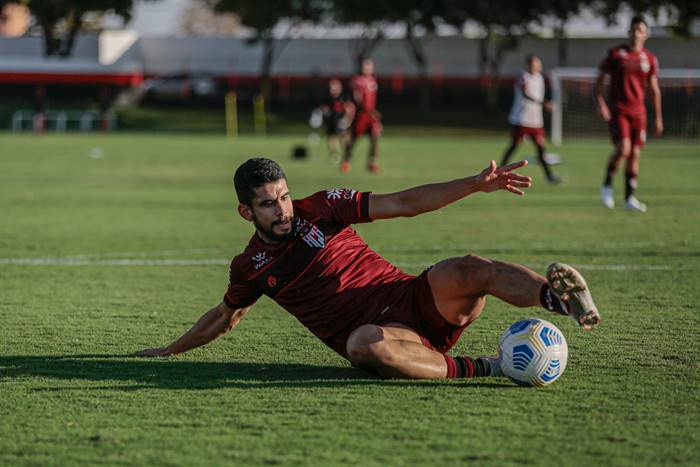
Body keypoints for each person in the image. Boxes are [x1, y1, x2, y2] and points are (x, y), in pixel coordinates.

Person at [136, 157, 601, 380]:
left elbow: (403, 203)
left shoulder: (321, 206)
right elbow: (224, 317)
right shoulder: (251, 266)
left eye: (282, 197)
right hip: (386, 338)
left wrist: (475, 185)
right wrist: (170, 349)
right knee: (363, 345)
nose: (282, 210)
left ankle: (559, 300)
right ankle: (489, 367)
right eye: (267, 205)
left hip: (412, 297)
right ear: (246, 213)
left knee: (467, 267)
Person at [596, 16, 663, 212]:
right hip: (619, 109)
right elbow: (599, 79)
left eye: (640, 30)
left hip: (639, 112)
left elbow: (653, 88)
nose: (636, 33)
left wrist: (658, 117)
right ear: (628, 32)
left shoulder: (649, 59)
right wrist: (601, 103)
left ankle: (629, 198)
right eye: (633, 30)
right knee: (623, 149)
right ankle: (607, 184)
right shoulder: (616, 55)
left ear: (646, 34)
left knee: (634, 154)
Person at [501, 55, 560, 184]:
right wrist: (544, 103)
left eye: (538, 64)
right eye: (534, 64)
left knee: (541, 148)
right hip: (521, 119)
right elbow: (525, 93)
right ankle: (499, 171)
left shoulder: (539, 78)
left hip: (536, 121)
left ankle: (549, 176)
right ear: (528, 65)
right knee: (514, 146)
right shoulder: (523, 77)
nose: (537, 66)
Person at [341, 58, 382, 174]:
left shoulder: (373, 80)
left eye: (369, 66)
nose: (367, 68)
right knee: (354, 139)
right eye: (365, 66)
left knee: (375, 136)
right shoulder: (357, 81)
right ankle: (346, 160)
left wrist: (373, 112)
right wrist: (368, 110)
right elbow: (357, 98)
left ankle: (372, 162)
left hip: (371, 115)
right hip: (362, 115)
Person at [319, 78, 352, 164]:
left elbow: (350, 108)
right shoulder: (327, 97)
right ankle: (334, 154)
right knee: (331, 137)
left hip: (341, 120)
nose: (332, 89)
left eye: (335, 87)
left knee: (344, 136)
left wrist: (347, 119)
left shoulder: (343, 97)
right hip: (331, 120)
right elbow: (323, 107)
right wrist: (324, 112)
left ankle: (347, 153)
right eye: (331, 87)